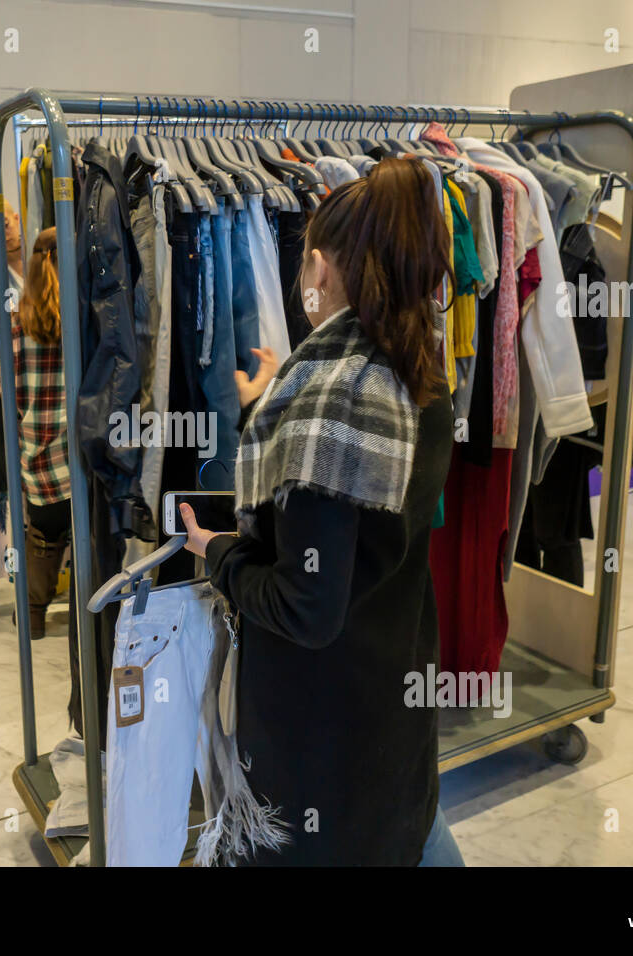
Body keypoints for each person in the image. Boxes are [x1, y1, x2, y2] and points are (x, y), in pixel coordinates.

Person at [178, 160, 463, 866]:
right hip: (390, 697)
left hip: (319, 735)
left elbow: (307, 607)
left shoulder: (326, 405)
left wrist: (217, 553)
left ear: (320, 267)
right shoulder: (419, 374)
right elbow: (369, 533)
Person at [0, 228, 80, 720]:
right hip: (81, 464)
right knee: (82, 544)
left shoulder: (12, 326)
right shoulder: (89, 322)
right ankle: (85, 614)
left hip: (37, 467)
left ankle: (34, 615)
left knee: (38, 538)